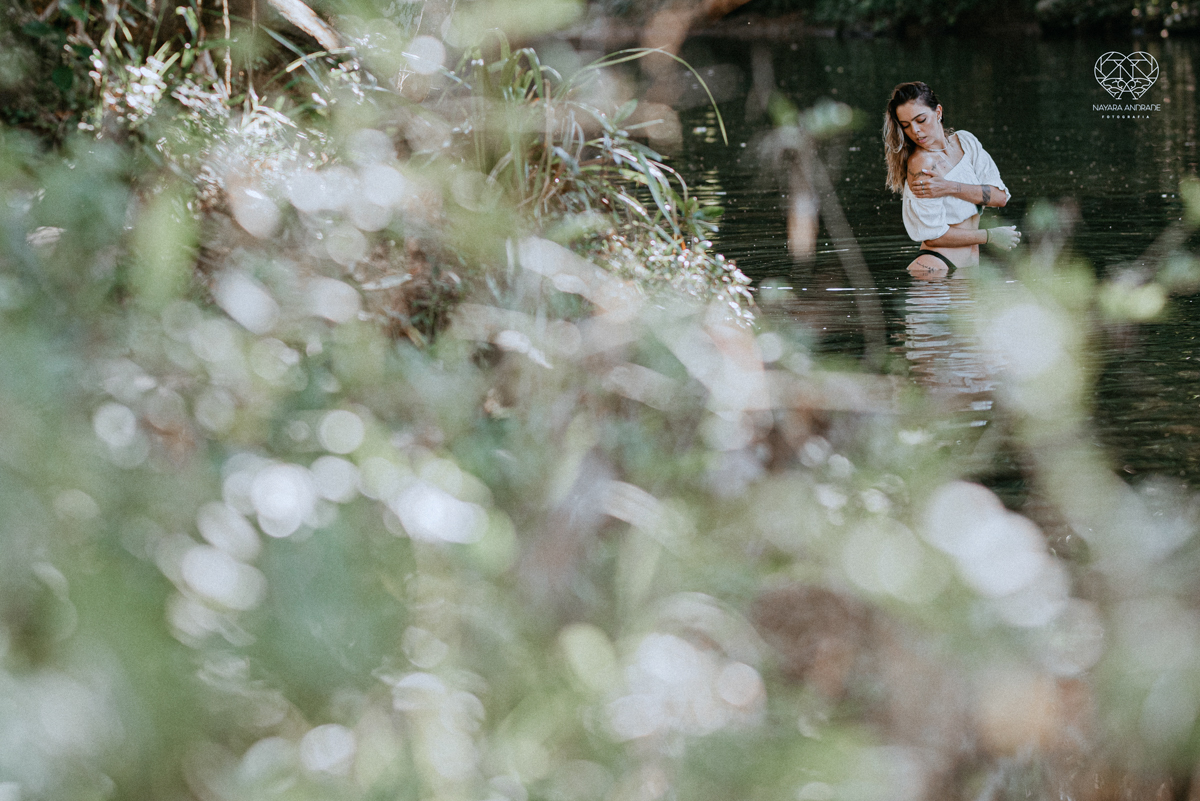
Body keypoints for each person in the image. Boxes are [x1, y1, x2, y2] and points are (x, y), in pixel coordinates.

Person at [883, 81, 1020, 278]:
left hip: (967, 270)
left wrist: (949, 187)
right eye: (906, 126)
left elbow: (999, 197)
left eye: (921, 120)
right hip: (936, 267)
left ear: (938, 112)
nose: (915, 131)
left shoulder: (966, 142)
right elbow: (933, 237)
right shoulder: (922, 165)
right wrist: (990, 236)